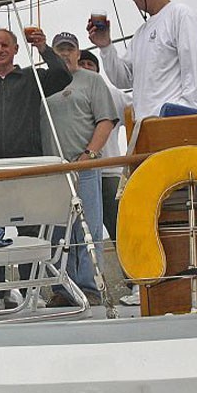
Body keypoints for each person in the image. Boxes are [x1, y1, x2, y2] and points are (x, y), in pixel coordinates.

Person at [0, 27, 71, 311]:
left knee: (29, 232)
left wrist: (44, 49)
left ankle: (31, 290)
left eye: (5, 45)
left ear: (15, 50)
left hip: (25, 166)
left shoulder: (31, 79)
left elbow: (62, 76)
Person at [40, 32, 118, 307]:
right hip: (51, 170)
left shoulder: (92, 81)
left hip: (83, 165)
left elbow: (106, 120)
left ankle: (89, 286)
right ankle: (64, 288)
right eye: (59, 49)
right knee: (57, 232)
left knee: (89, 228)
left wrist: (90, 154)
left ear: (77, 53)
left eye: (69, 49)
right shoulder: (44, 81)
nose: (64, 53)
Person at [88, 0, 197, 119]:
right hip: (146, 129)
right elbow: (123, 79)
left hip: (172, 125)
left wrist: (182, 116)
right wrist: (105, 46)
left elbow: (195, 71)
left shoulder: (180, 15)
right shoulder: (141, 34)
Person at [78, 50, 132, 241]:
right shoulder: (66, 93)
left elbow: (140, 115)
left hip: (109, 172)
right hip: (78, 173)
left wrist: (133, 154)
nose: (85, 67)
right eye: (81, 63)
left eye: (89, 64)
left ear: (98, 70)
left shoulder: (114, 94)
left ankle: (133, 272)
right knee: (84, 236)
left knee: (122, 232)